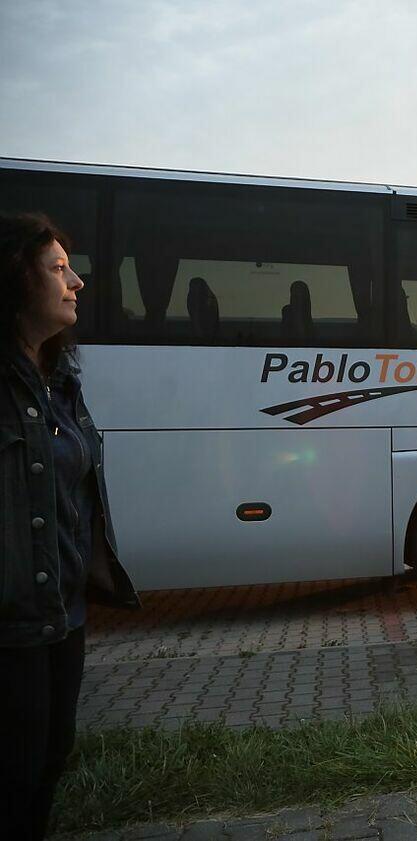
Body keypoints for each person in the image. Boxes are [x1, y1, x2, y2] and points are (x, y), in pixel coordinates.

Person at [1, 213, 140, 839]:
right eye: (58, 269)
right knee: (14, 772)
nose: (78, 282)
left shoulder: (61, 383)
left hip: (63, 616)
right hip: (12, 625)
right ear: (15, 281)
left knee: (50, 761)